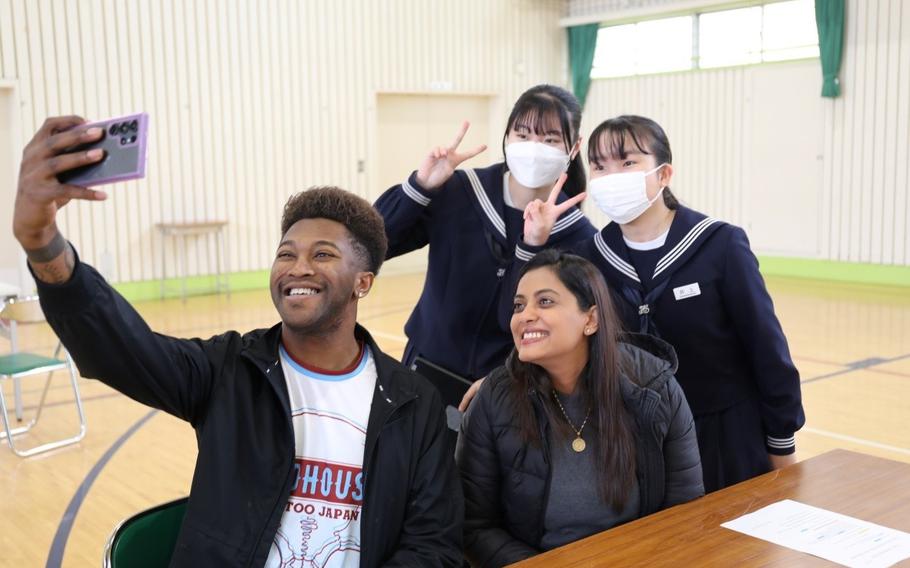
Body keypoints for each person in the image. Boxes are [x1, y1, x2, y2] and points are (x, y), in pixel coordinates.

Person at [14, 116, 463, 567]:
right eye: (286, 253)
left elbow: (433, 545)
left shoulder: (413, 403)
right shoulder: (228, 370)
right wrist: (43, 243)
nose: (297, 267)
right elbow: (119, 348)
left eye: (322, 254)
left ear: (362, 282)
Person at [515, 115, 805, 492]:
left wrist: (782, 444)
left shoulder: (720, 245)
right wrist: (535, 240)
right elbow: (534, 321)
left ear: (664, 174)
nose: (612, 175)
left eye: (628, 162)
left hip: (724, 439)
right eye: (600, 166)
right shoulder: (589, 258)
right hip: (632, 442)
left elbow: (768, 350)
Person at [456, 250, 703, 567]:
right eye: (519, 305)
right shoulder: (494, 400)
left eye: (545, 301)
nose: (524, 315)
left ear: (591, 319)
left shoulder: (656, 389)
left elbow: (685, 511)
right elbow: (474, 526)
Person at [374, 84, 595, 392]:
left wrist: (532, 247)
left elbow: (523, 320)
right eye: (523, 134)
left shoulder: (580, 237)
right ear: (507, 137)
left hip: (508, 389)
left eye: (550, 139)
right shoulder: (460, 191)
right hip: (423, 371)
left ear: (574, 147)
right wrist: (420, 187)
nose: (533, 147)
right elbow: (373, 244)